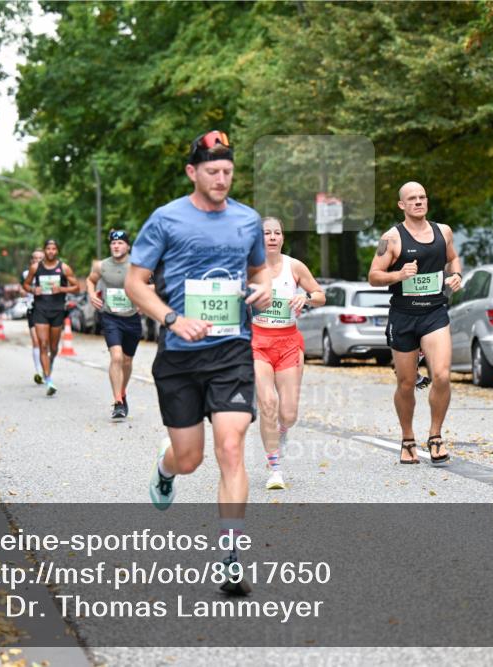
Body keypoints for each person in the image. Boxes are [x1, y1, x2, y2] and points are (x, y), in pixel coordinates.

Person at [125, 129, 270, 594]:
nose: (222, 179)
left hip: (231, 352)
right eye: (213, 171)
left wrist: (264, 288)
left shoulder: (247, 221)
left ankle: (230, 556)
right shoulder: (166, 219)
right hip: (180, 357)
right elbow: (135, 282)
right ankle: (167, 470)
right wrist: (171, 318)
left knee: (231, 447)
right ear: (193, 172)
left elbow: (258, 271)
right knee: (190, 458)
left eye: (228, 171)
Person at [367, 182, 463, 465]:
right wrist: (398, 276)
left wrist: (456, 275)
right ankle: (407, 438)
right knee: (406, 383)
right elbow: (373, 275)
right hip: (403, 316)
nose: (419, 202)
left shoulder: (443, 231)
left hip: (434, 313)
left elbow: (453, 258)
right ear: (402, 205)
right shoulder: (390, 238)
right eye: (412, 199)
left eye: (422, 197)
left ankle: (435, 436)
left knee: (442, 375)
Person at [251, 217, 325, 490]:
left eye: (276, 233)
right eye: (266, 233)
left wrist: (305, 298)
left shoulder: (294, 266)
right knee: (267, 403)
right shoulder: (248, 267)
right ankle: (275, 469)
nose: (272, 237)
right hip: (257, 342)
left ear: (282, 237)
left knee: (289, 414)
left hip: (288, 343)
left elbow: (320, 294)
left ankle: (282, 431)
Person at [86, 230, 144, 420]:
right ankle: (118, 401)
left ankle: (123, 391)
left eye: (120, 243)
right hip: (111, 317)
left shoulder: (138, 265)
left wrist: (142, 300)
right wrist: (92, 294)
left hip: (132, 318)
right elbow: (90, 280)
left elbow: (151, 286)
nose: (116, 246)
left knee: (127, 361)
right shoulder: (101, 265)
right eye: (113, 243)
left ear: (128, 246)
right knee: (116, 357)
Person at [22, 239, 79, 396]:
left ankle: (50, 362)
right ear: (45, 250)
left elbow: (77, 287)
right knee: (43, 344)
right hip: (40, 310)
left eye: (54, 248)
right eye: (48, 248)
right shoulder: (36, 267)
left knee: (53, 348)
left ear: (57, 251)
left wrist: (61, 288)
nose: (51, 251)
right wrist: (34, 290)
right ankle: (48, 380)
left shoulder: (63, 268)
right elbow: (25, 285)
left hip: (57, 310)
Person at [21, 249, 46, 384]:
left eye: (40, 258)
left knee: (45, 343)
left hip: (48, 310)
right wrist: (28, 291)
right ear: (32, 261)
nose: (37, 261)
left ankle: (45, 368)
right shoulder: (26, 274)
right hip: (33, 309)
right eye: (35, 259)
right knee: (36, 341)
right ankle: (38, 372)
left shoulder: (51, 272)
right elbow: (22, 289)